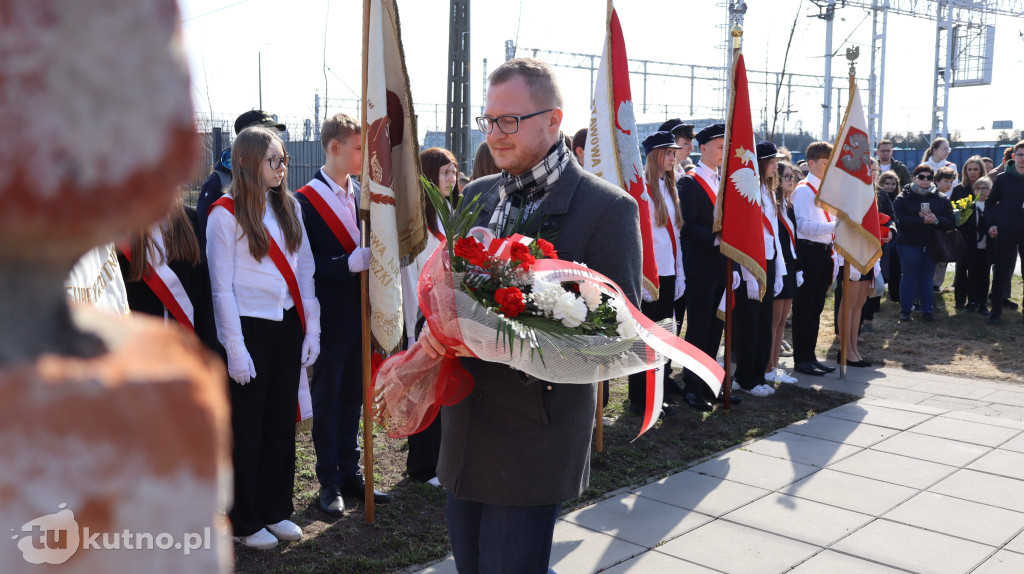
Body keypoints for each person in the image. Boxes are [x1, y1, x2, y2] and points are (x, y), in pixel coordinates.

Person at [421, 58, 642, 574]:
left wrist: (523, 333)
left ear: (553, 120)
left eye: (510, 120)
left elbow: (622, 339)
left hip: (532, 437)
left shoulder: (605, 208)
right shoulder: (475, 196)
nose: (495, 134)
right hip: (466, 426)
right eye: (489, 120)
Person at [207, 126, 320, 549]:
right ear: (249, 162)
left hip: (288, 323)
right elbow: (221, 288)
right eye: (273, 160)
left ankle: (275, 509)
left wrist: (312, 329)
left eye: (283, 159)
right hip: (249, 328)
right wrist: (235, 350)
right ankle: (244, 518)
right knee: (247, 427)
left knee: (279, 423)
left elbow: (304, 271)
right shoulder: (224, 213)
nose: (282, 168)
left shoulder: (289, 205)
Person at [294, 113, 388, 517]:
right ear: (334, 147)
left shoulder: (363, 195)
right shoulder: (302, 200)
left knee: (354, 398)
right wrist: (345, 263)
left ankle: (352, 473)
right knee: (328, 400)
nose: (363, 157)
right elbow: (302, 263)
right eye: (357, 148)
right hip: (328, 319)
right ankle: (329, 480)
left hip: (361, 315)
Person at [400, 146, 460, 486]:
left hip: (448, 316)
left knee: (442, 391)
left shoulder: (450, 212)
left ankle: (440, 459)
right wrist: (412, 327)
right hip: (423, 318)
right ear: (429, 176)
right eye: (445, 172)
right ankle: (422, 465)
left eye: (454, 171)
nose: (452, 178)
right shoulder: (418, 224)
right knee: (421, 392)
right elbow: (411, 279)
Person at [677, 123, 737, 411]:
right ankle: (692, 386)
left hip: (722, 266)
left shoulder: (723, 182)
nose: (725, 152)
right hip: (700, 267)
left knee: (716, 327)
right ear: (703, 149)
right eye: (720, 147)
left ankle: (711, 382)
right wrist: (716, 239)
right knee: (698, 328)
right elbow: (687, 226)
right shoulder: (689, 182)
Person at [628, 132, 684, 415]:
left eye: (674, 153)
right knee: (645, 339)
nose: (674, 158)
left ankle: (656, 392)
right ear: (654, 156)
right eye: (668, 153)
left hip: (668, 272)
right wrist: (644, 277)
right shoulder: (643, 190)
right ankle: (640, 396)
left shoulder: (667, 186)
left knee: (663, 337)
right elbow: (642, 239)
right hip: (651, 276)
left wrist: (680, 273)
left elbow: (674, 235)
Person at [117, 193, 217, 350]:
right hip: (143, 349)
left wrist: (208, 349)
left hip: (185, 345)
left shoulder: (189, 219)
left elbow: (203, 294)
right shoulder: (122, 230)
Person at [731, 142, 787, 397]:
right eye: (773, 162)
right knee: (750, 325)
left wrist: (780, 268)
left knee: (764, 323)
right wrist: (748, 274)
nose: (776, 166)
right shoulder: (750, 191)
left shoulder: (767, 190)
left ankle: (757, 374)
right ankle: (746, 377)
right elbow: (745, 235)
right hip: (753, 265)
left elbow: (773, 234)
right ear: (762, 163)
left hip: (769, 261)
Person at [197, 110, 287, 250]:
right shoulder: (219, 181)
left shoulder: (274, 178)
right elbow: (205, 234)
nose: (273, 138)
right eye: (267, 133)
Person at [791, 141, 837, 377]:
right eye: (825, 163)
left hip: (824, 251)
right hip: (809, 252)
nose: (829, 167)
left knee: (817, 308)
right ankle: (801, 359)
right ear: (811, 163)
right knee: (805, 307)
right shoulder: (803, 190)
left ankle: (810, 356)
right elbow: (803, 226)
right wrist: (835, 226)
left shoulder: (825, 190)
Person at [892, 164, 954, 322]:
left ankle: (927, 310)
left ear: (933, 179)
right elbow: (900, 221)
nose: (925, 180)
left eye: (929, 177)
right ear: (914, 178)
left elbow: (950, 222)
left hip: (931, 244)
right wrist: (922, 221)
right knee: (909, 275)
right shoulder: (903, 197)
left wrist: (936, 220)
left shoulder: (941, 198)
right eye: (921, 177)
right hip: (908, 243)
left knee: (927, 278)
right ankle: (905, 310)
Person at [766, 161, 800, 384]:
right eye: (787, 176)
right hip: (777, 267)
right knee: (773, 320)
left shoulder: (788, 207)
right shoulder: (771, 206)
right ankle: (768, 366)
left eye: (793, 177)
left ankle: (775, 365)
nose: (792, 181)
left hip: (789, 266)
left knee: (781, 321)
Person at [986, 141, 1024, 325]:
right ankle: (996, 313)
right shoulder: (1003, 179)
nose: (1023, 159)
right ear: (1014, 156)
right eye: (1020, 155)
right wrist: (992, 224)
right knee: (1001, 272)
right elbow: (990, 203)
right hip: (1006, 231)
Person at [950, 156, 986, 309]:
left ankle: (974, 301)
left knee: (976, 270)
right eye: (969, 169)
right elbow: (953, 211)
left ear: (981, 170)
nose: (972, 173)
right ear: (964, 171)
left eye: (975, 169)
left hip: (980, 235)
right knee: (961, 269)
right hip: (963, 235)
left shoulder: (986, 188)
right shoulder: (959, 189)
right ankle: (959, 301)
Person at [961, 176, 995, 315]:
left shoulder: (993, 206)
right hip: (972, 247)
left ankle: (983, 303)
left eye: (985, 188)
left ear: (991, 190)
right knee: (972, 275)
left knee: (985, 276)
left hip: (987, 246)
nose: (981, 191)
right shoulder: (969, 206)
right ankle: (972, 302)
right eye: (978, 188)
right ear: (974, 191)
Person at [931, 166, 958, 291]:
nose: (948, 184)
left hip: (943, 231)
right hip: (933, 232)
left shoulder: (947, 195)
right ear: (937, 181)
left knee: (942, 259)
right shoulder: (931, 195)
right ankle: (933, 284)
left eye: (951, 182)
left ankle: (936, 284)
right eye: (946, 181)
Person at [877, 170, 902, 302]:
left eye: (893, 184)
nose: (890, 187)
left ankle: (895, 295)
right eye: (887, 183)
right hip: (881, 236)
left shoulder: (899, 197)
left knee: (895, 268)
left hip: (893, 237)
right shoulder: (880, 197)